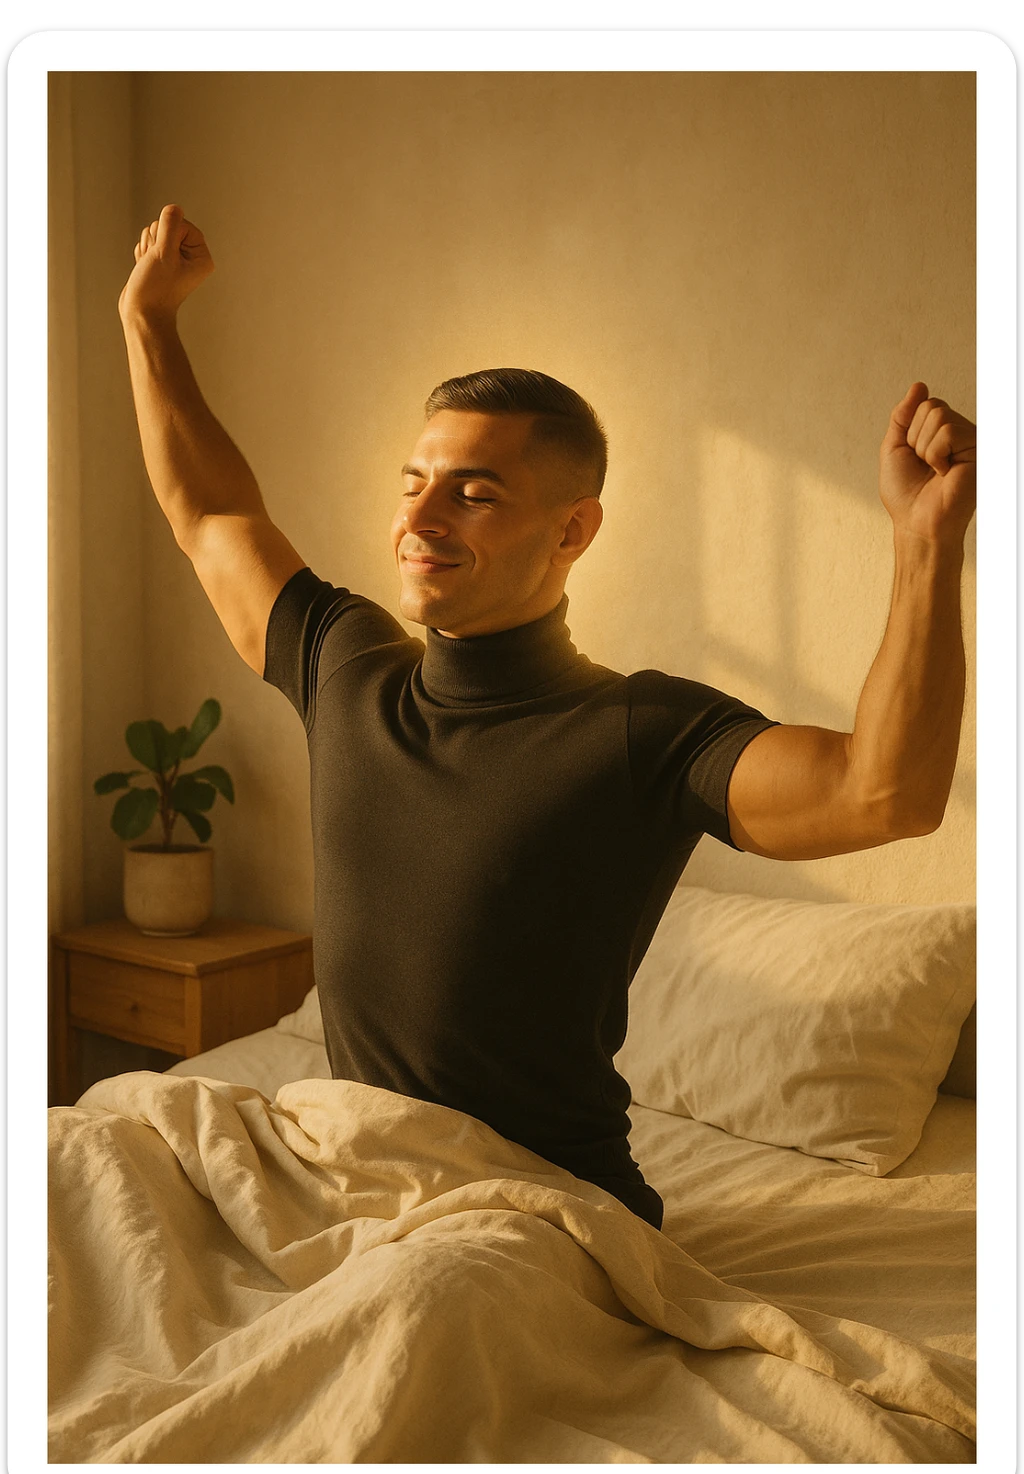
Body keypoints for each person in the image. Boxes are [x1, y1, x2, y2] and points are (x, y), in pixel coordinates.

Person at [119, 205, 977, 1229]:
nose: (420, 521)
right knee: (81, 1159)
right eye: (413, 485)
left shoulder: (639, 731)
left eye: (473, 495)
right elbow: (211, 514)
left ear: (573, 529)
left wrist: (925, 545)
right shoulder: (347, 667)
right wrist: (148, 320)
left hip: (535, 1210)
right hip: (347, 1170)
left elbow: (882, 793)